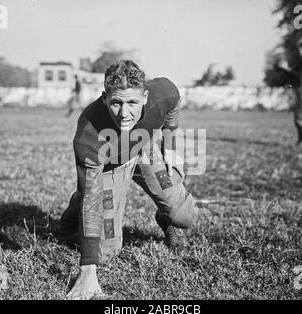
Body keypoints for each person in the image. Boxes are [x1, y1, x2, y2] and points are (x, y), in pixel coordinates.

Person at [60, 59, 199, 299]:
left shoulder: (162, 92)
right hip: (110, 168)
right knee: (105, 252)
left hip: (145, 151)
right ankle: (78, 202)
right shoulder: (89, 134)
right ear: (105, 98)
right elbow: (94, 202)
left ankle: (165, 219)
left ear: (145, 97)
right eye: (116, 103)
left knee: (185, 216)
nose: (125, 113)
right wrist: (88, 271)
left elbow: (174, 101)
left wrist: (170, 147)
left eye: (132, 102)